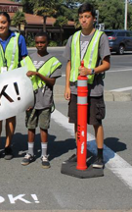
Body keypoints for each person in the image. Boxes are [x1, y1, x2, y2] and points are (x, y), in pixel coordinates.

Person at [63, 3, 111, 169]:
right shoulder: (73, 37)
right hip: (77, 88)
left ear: (93, 18)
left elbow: (106, 64)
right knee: (77, 122)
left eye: (87, 17)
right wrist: (67, 86)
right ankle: (79, 151)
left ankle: (99, 156)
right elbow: (69, 63)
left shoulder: (100, 37)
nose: (84, 20)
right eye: (81, 17)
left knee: (96, 121)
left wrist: (91, 70)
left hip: (93, 88)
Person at [0, 12, 28, 160]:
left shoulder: (18, 38)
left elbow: (24, 61)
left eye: (3, 22)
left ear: (9, 23)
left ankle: (8, 146)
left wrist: (26, 85)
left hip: (13, 85)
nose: (0, 26)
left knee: (10, 116)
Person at [20, 32, 62, 169]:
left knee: (44, 127)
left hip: (45, 100)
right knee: (30, 127)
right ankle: (30, 152)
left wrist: (38, 74)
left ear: (47, 43)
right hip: (31, 101)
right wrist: (25, 101)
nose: (40, 45)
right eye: (37, 43)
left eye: (42, 42)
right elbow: (23, 82)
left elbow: (52, 82)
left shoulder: (53, 61)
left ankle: (44, 155)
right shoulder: (28, 60)